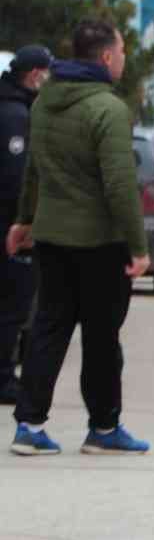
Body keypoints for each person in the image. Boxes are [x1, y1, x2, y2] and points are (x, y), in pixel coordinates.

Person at [7, 22, 150, 458]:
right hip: (100, 243)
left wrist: (24, 221)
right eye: (122, 50)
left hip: (51, 238)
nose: (124, 58)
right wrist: (139, 246)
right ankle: (103, 428)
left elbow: (34, 168)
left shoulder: (45, 101)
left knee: (49, 328)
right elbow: (120, 186)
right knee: (102, 337)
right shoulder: (109, 109)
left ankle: (29, 426)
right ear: (106, 57)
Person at [0, 46, 49, 406]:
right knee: (13, 307)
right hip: (9, 229)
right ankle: (3, 379)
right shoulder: (16, 115)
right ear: (34, 75)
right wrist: (23, 222)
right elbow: (15, 178)